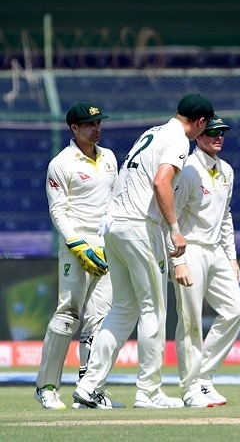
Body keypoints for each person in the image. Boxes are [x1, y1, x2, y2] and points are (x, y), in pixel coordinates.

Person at [73, 93, 211, 409]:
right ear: (200, 122)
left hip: (116, 226)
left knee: (122, 309)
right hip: (139, 228)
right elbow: (162, 183)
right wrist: (175, 231)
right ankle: (148, 391)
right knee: (154, 310)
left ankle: (88, 386)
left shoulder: (152, 132)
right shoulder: (178, 140)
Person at [36, 102, 119, 410]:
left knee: (101, 318)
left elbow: (114, 200)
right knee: (67, 315)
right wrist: (76, 244)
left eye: (98, 123)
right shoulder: (61, 162)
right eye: (88, 125)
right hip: (75, 247)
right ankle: (46, 387)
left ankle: (90, 390)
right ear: (74, 128)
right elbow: (58, 210)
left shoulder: (109, 157)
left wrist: (108, 237)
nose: (96, 129)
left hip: (104, 246)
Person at [171, 116, 240, 408]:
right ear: (199, 135)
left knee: (235, 311)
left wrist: (232, 257)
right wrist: (176, 258)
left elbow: (225, 216)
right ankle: (190, 388)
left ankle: (203, 378)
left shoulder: (226, 169)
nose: (218, 138)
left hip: (215, 251)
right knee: (190, 319)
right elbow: (172, 216)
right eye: (212, 132)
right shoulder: (189, 169)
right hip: (189, 248)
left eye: (222, 133)